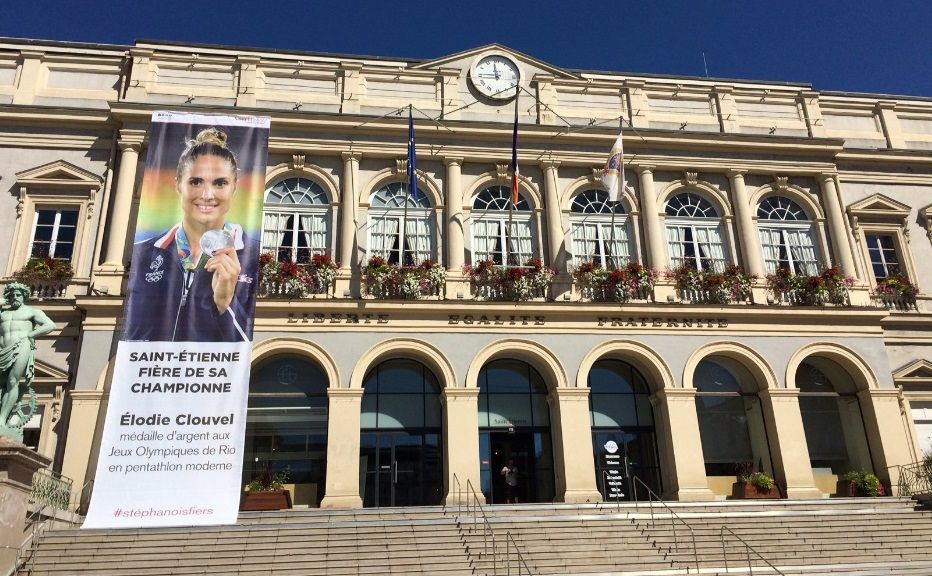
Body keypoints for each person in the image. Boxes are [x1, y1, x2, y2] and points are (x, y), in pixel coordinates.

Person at [123, 127, 259, 342]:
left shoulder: (253, 255)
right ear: (178, 184)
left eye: (220, 183)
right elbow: (133, 337)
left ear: (234, 187)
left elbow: (246, 349)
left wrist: (224, 302)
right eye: (195, 182)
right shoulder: (144, 254)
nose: (207, 195)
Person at [0, 283, 55, 437]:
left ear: (24, 296)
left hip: (21, 345)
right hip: (2, 349)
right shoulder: (3, 313)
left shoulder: (31, 311)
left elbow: (50, 325)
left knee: (12, 381)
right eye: (12, 295)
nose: (15, 297)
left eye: (18, 295)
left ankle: (2, 419)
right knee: (1, 383)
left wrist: (31, 335)